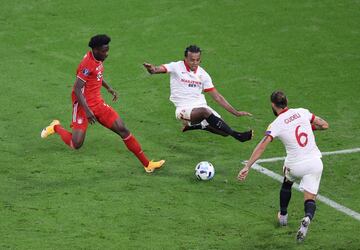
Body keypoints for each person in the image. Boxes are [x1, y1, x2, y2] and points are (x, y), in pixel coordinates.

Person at [41, 34, 165, 173]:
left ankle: (147, 164)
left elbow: (97, 75)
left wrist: (108, 88)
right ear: (95, 49)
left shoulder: (97, 58)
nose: (106, 54)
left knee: (123, 129)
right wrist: (87, 111)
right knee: (76, 144)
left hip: (98, 103)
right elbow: (77, 88)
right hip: (82, 105)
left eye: (107, 50)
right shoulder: (87, 64)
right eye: (104, 51)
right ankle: (56, 127)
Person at [237, 90, 329, 242]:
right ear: (286, 101)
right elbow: (324, 125)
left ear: (273, 105)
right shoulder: (302, 112)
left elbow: (262, 146)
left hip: (295, 165)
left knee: (287, 181)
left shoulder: (276, 123)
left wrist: (248, 166)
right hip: (315, 162)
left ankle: (283, 216)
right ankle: (307, 217)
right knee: (310, 198)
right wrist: (309, 128)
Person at [143, 45, 253, 142]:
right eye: (192, 60)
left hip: (201, 106)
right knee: (207, 113)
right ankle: (237, 135)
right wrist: (152, 69)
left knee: (223, 132)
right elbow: (158, 69)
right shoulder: (176, 66)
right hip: (183, 109)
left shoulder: (203, 74)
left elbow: (217, 97)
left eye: (198, 60)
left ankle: (198, 126)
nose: (195, 63)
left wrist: (236, 113)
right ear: (185, 58)